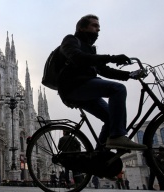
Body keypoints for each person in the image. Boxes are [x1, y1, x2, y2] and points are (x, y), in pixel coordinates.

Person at [56, 14, 147, 151]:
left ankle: (99, 159)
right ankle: (117, 136)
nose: (98, 30)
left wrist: (129, 75)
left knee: (111, 118)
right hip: (73, 87)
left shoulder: (90, 49)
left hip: (87, 89)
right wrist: (112, 58)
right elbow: (77, 57)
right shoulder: (71, 40)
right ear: (81, 28)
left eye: (99, 27)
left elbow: (104, 70)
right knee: (118, 89)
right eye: (94, 26)